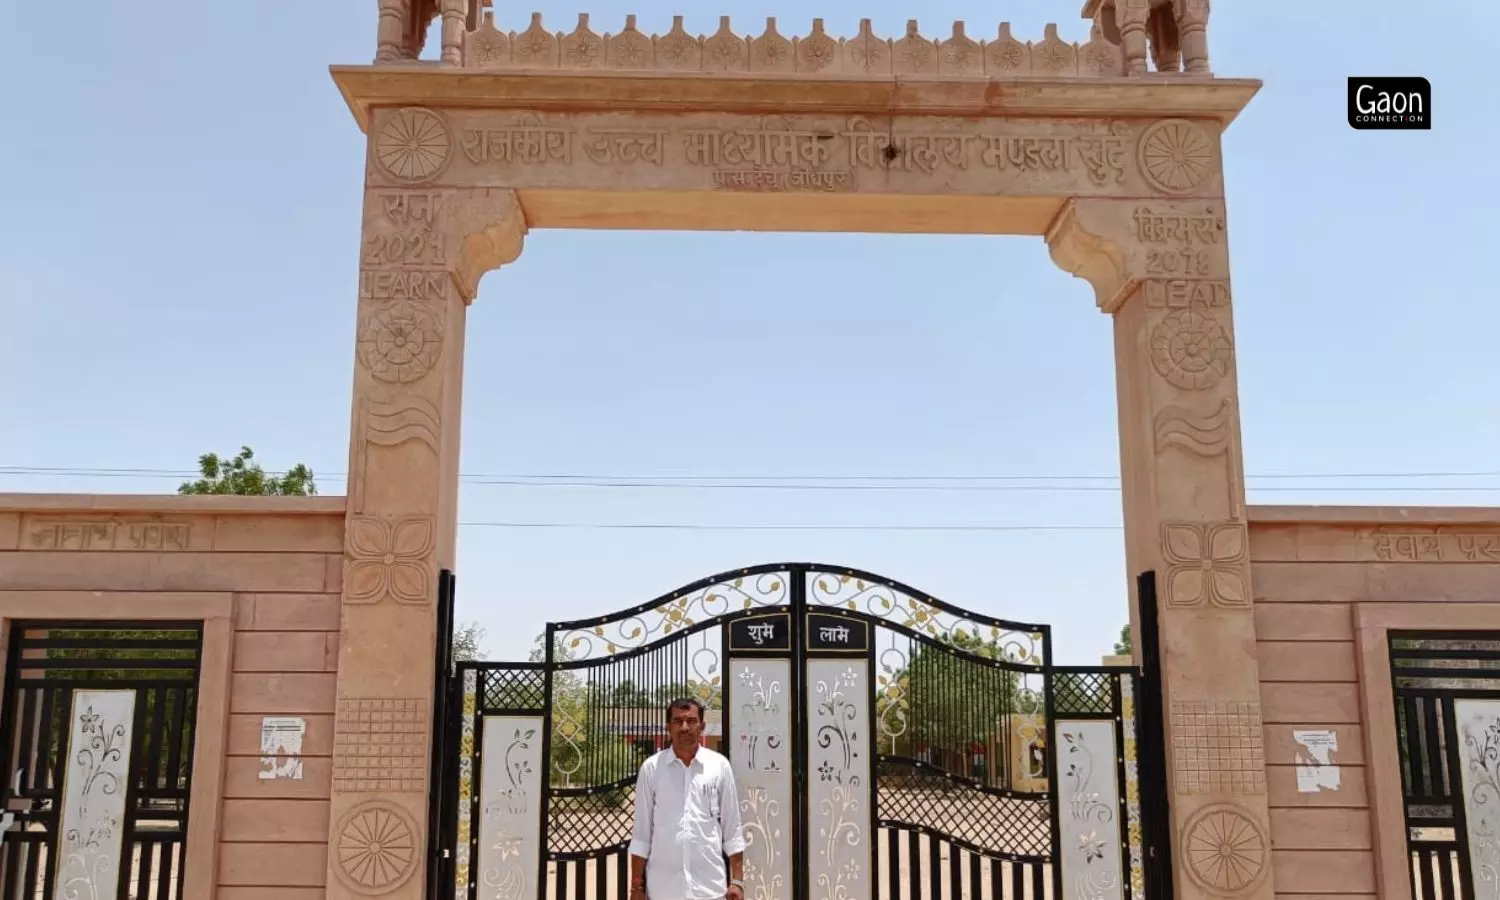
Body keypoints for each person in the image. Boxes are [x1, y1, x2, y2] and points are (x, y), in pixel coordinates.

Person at [628, 698, 746, 900]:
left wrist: (737, 881)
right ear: (668, 727)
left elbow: (732, 827)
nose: (684, 727)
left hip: (710, 889)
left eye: (691, 721)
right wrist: (637, 887)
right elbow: (642, 833)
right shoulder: (652, 768)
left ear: (702, 726)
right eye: (677, 721)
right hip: (663, 890)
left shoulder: (719, 766)